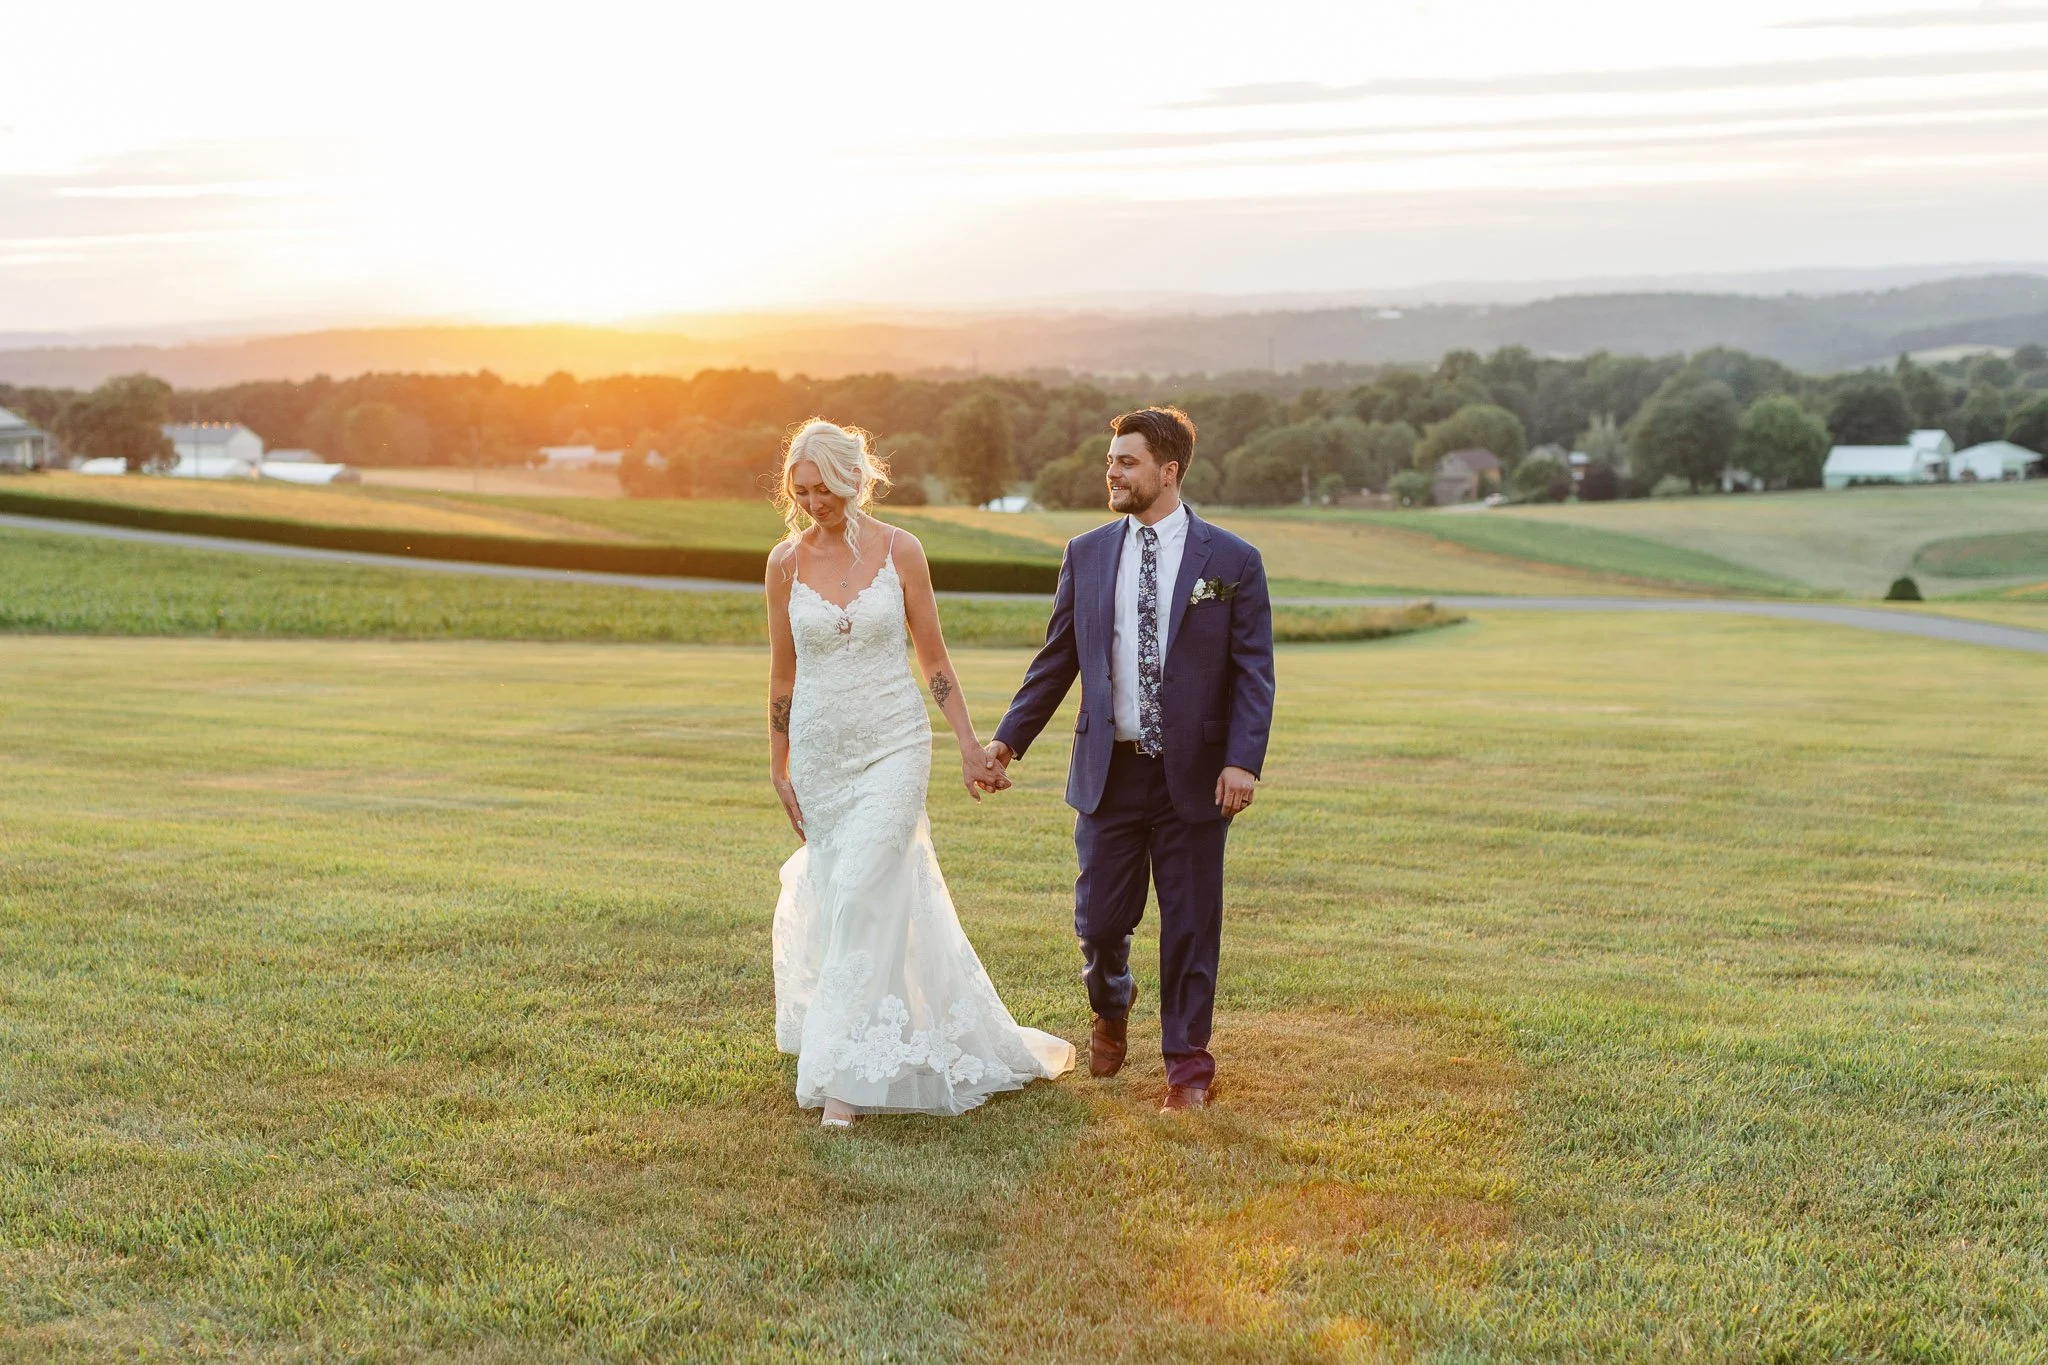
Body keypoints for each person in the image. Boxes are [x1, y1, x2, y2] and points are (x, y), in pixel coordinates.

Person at [766, 419, 1075, 1127]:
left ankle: (843, 1080)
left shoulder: (901, 551)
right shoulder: (783, 562)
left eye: (827, 488)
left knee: (866, 886)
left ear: (855, 478)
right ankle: (875, 1034)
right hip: (821, 753)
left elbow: (933, 660)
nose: (815, 502)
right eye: (802, 490)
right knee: (843, 891)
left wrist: (971, 744)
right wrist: (777, 763)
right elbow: (783, 673)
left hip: (895, 745)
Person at [986, 407, 1275, 1114]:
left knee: (1189, 924)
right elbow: (1057, 660)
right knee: (1100, 920)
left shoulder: (1232, 561)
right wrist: (1007, 739)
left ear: (1168, 471)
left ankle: (1187, 1066)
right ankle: (1110, 1004)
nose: (1111, 472)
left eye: (1126, 461)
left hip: (1197, 777)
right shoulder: (1085, 554)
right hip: (1108, 773)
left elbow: (1253, 672)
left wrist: (1243, 760)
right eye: (1111, 461)